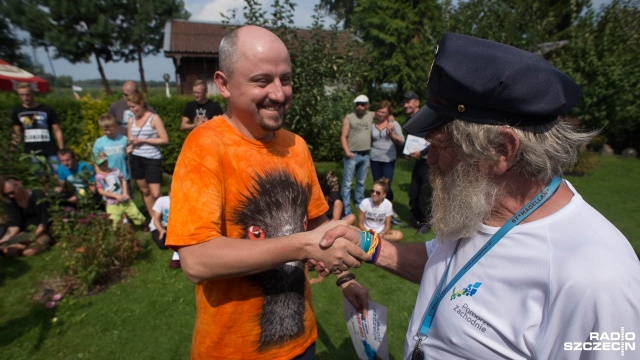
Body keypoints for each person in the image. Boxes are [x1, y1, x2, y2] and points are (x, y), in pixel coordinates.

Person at [316, 33, 640, 359]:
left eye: (440, 147)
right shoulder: (480, 206)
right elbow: (442, 264)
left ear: (502, 150)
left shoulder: (597, 280)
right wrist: (366, 244)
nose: (428, 160)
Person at [165, 25, 369, 359]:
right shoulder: (205, 147)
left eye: (285, 79)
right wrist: (300, 244)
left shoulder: (296, 146)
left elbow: (319, 230)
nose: (278, 93)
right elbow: (196, 261)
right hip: (231, 351)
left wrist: (345, 278)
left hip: (301, 342)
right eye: (262, 81)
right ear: (224, 84)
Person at [126, 93, 169, 218]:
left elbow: (164, 139)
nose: (132, 110)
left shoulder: (154, 118)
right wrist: (131, 142)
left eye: (134, 107)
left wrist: (144, 140)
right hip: (136, 157)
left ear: (141, 104)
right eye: (130, 107)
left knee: (155, 193)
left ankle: (163, 217)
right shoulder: (131, 120)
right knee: (145, 191)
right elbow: (130, 137)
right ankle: (153, 220)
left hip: (152, 158)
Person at [11, 82, 64, 173]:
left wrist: (62, 150)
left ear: (33, 94)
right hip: (32, 151)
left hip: (50, 148)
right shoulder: (17, 112)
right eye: (21, 95)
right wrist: (12, 146)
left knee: (59, 173)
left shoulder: (47, 110)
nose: (25, 98)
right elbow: (17, 133)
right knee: (38, 176)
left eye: (27, 94)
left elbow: (57, 130)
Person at [370, 100, 404, 223]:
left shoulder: (393, 124)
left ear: (388, 113)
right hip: (374, 158)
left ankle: (389, 209)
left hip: (388, 159)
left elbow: (402, 141)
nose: (380, 114)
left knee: (386, 186)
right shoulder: (372, 125)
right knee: (377, 185)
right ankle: (378, 210)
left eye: (384, 112)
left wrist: (392, 135)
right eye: (379, 111)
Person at [0, 175, 52, 257]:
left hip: (40, 231)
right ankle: (22, 246)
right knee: (9, 252)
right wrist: (3, 241)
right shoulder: (10, 202)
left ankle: (24, 246)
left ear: (18, 184)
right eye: (7, 195)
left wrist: (32, 237)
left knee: (28, 252)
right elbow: (14, 225)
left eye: (12, 192)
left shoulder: (38, 195)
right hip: (23, 234)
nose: (11, 196)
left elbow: (43, 222)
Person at [340, 94, 374, 215]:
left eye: (362, 104)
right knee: (347, 183)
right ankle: (346, 207)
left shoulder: (371, 115)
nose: (360, 107)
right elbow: (343, 137)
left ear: (367, 105)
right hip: (352, 155)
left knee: (361, 181)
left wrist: (390, 120)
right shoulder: (349, 117)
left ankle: (359, 203)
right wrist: (347, 152)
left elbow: (385, 113)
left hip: (366, 155)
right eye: (357, 104)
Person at [404, 91, 432, 234]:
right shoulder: (410, 120)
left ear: (416, 102)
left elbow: (433, 140)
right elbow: (411, 141)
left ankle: (427, 222)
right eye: (404, 102)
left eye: (408, 101)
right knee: (414, 192)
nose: (405, 104)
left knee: (425, 194)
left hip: (429, 162)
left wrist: (421, 153)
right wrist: (409, 153)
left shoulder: (427, 117)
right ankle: (415, 220)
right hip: (418, 162)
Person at [94, 151, 146, 228]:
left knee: (135, 213)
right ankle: (119, 235)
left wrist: (125, 192)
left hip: (124, 198)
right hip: (112, 203)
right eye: (100, 164)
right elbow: (100, 190)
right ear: (97, 165)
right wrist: (115, 196)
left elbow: (123, 180)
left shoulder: (116, 171)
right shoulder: (99, 177)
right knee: (113, 220)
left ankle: (145, 226)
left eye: (104, 162)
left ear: (107, 161)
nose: (103, 165)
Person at [357, 178, 403, 242]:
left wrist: (383, 233)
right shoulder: (365, 202)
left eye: (378, 193)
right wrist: (368, 233)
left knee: (399, 235)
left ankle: (375, 239)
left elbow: (387, 225)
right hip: (366, 230)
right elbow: (360, 224)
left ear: (384, 194)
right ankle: (376, 240)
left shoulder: (388, 204)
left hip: (380, 232)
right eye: (372, 191)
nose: (374, 194)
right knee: (349, 227)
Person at [93, 114, 130, 185]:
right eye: (105, 130)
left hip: (123, 176)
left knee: (126, 194)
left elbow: (127, 154)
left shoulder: (123, 139)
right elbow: (97, 162)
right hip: (108, 177)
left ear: (115, 126)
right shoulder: (99, 142)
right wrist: (100, 176)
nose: (108, 132)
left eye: (111, 129)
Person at [150, 191, 180, 269]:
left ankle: (177, 258)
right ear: (169, 193)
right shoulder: (162, 201)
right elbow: (156, 220)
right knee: (162, 245)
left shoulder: (181, 202)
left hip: (173, 228)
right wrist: (161, 230)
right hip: (159, 227)